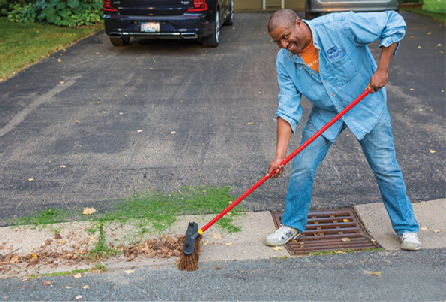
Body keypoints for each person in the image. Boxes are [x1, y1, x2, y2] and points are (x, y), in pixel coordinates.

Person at [265, 9, 421, 251]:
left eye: (286, 36)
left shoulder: (339, 25)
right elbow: (287, 107)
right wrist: (279, 156)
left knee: (385, 168)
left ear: (298, 23)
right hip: (327, 111)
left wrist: (382, 68)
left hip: (366, 102)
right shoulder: (285, 60)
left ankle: (407, 229)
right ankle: (292, 224)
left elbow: (393, 22)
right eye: (278, 41)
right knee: (303, 165)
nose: (284, 45)